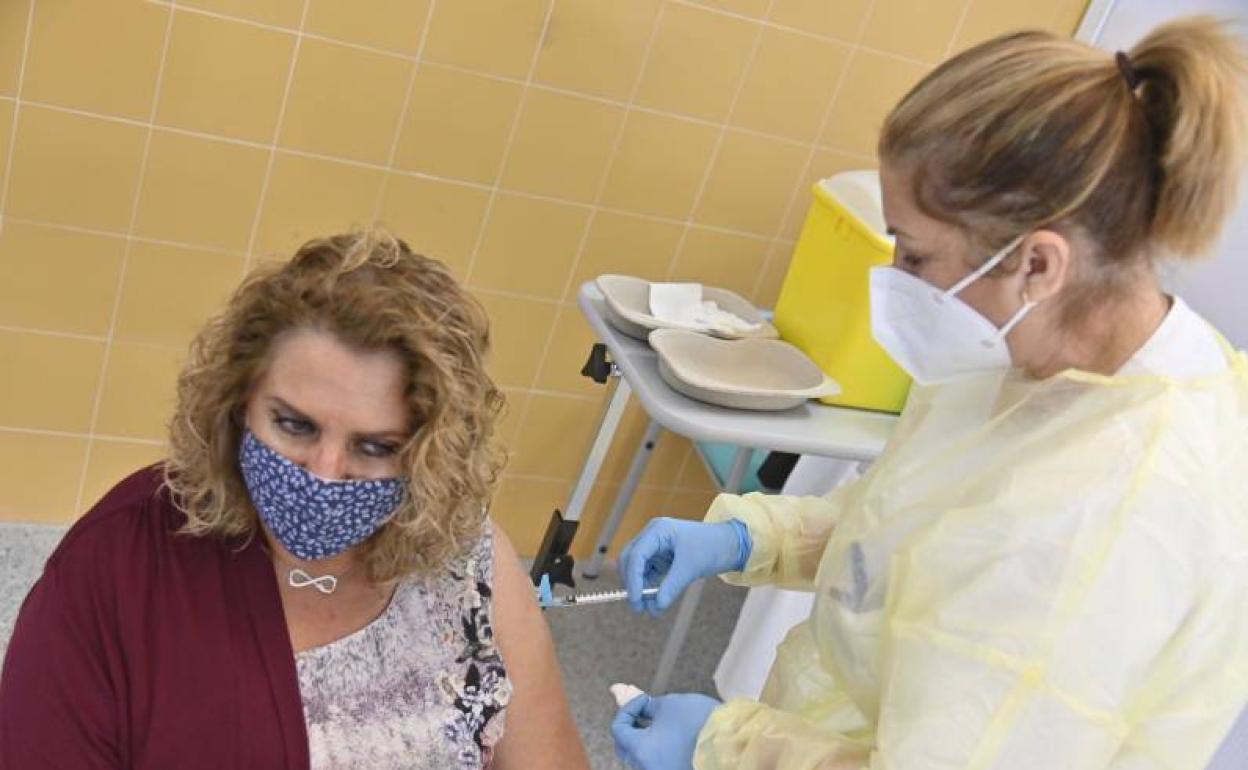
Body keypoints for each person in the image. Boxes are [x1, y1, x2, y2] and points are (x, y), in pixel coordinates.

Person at [612, 17, 1248, 770]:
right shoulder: (1035, 355)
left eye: (915, 254)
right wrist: (753, 537)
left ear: (1038, 265)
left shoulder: (1102, 523)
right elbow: (914, 524)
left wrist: (730, 748)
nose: (897, 283)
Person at [0, 230, 591, 770]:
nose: (326, 474)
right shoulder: (121, 565)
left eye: (374, 446)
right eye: (294, 425)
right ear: (238, 403)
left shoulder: (463, 565)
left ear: (429, 453)